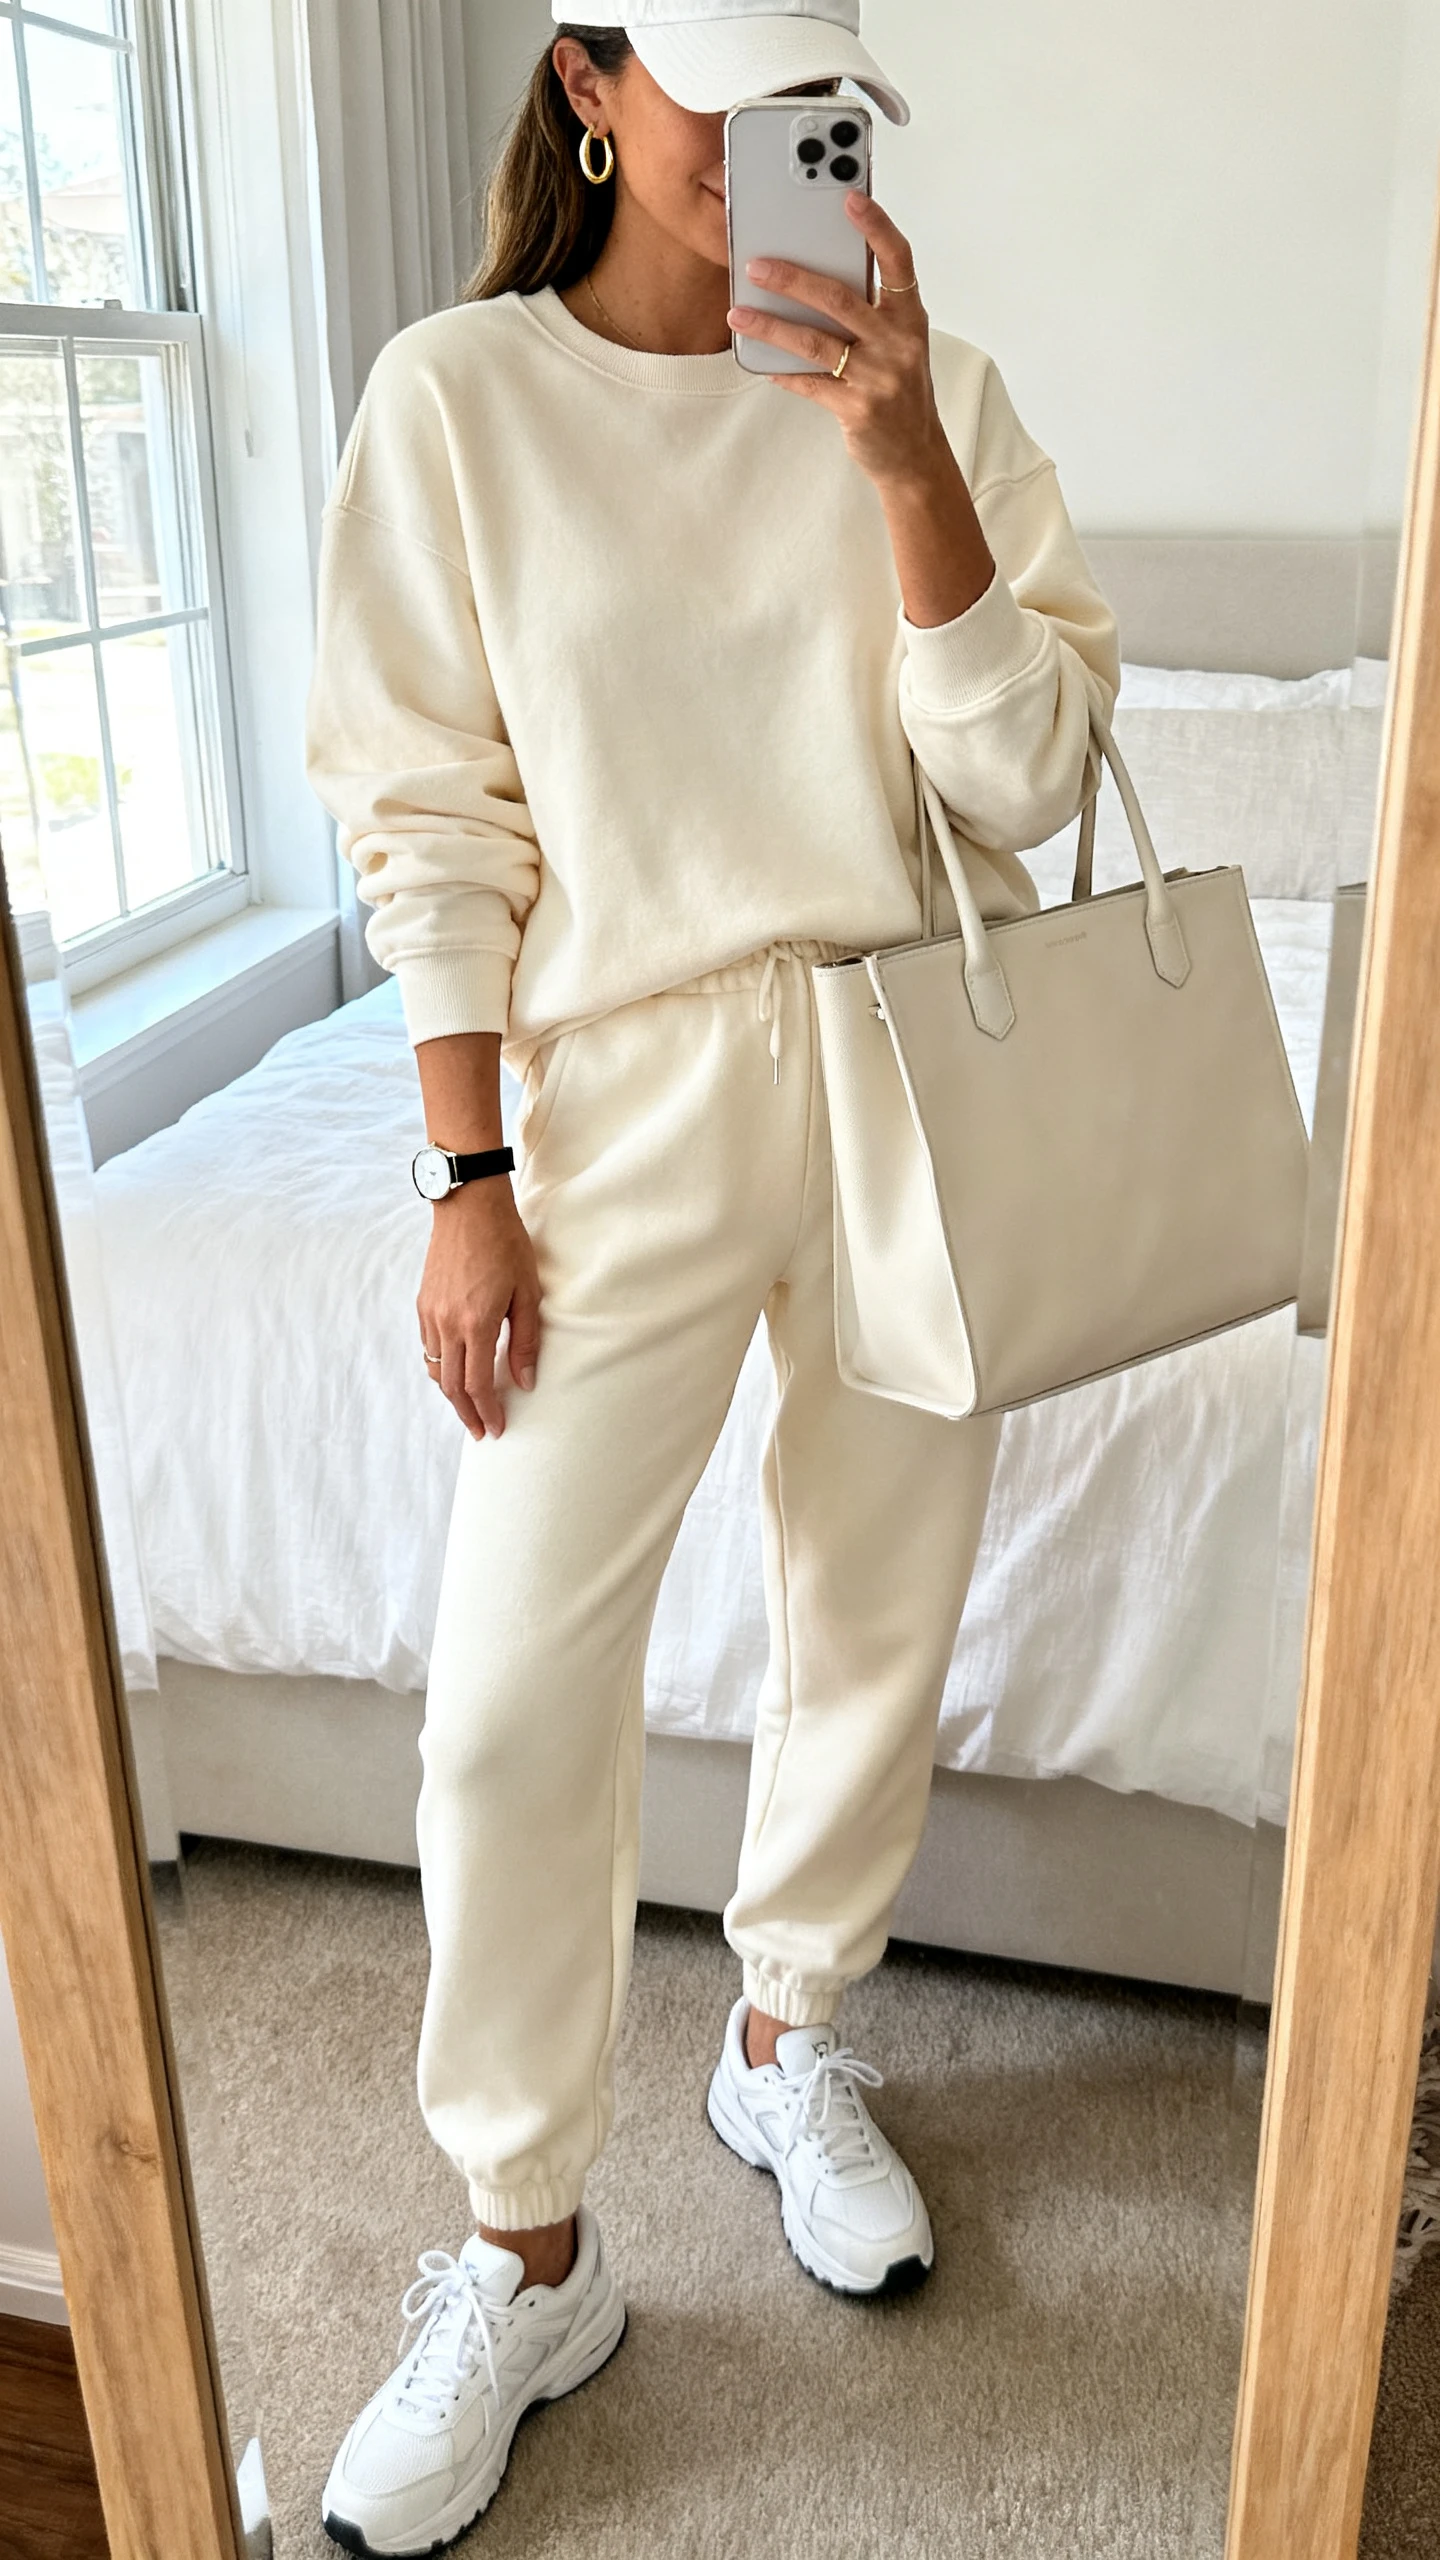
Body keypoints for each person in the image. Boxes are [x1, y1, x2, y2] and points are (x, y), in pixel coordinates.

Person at [304, 2, 1120, 2548]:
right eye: (720, 94)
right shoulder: (457, 402)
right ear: (587, 86)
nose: (774, 145)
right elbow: (424, 804)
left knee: (875, 1601)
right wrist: (463, 1170)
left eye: (816, 103)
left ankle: (790, 2032)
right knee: (510, 1694)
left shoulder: (942, 387)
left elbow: (1034, 774)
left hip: (901, 1060)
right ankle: (523, 2247)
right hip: (623, 1096)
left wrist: (894, 463)